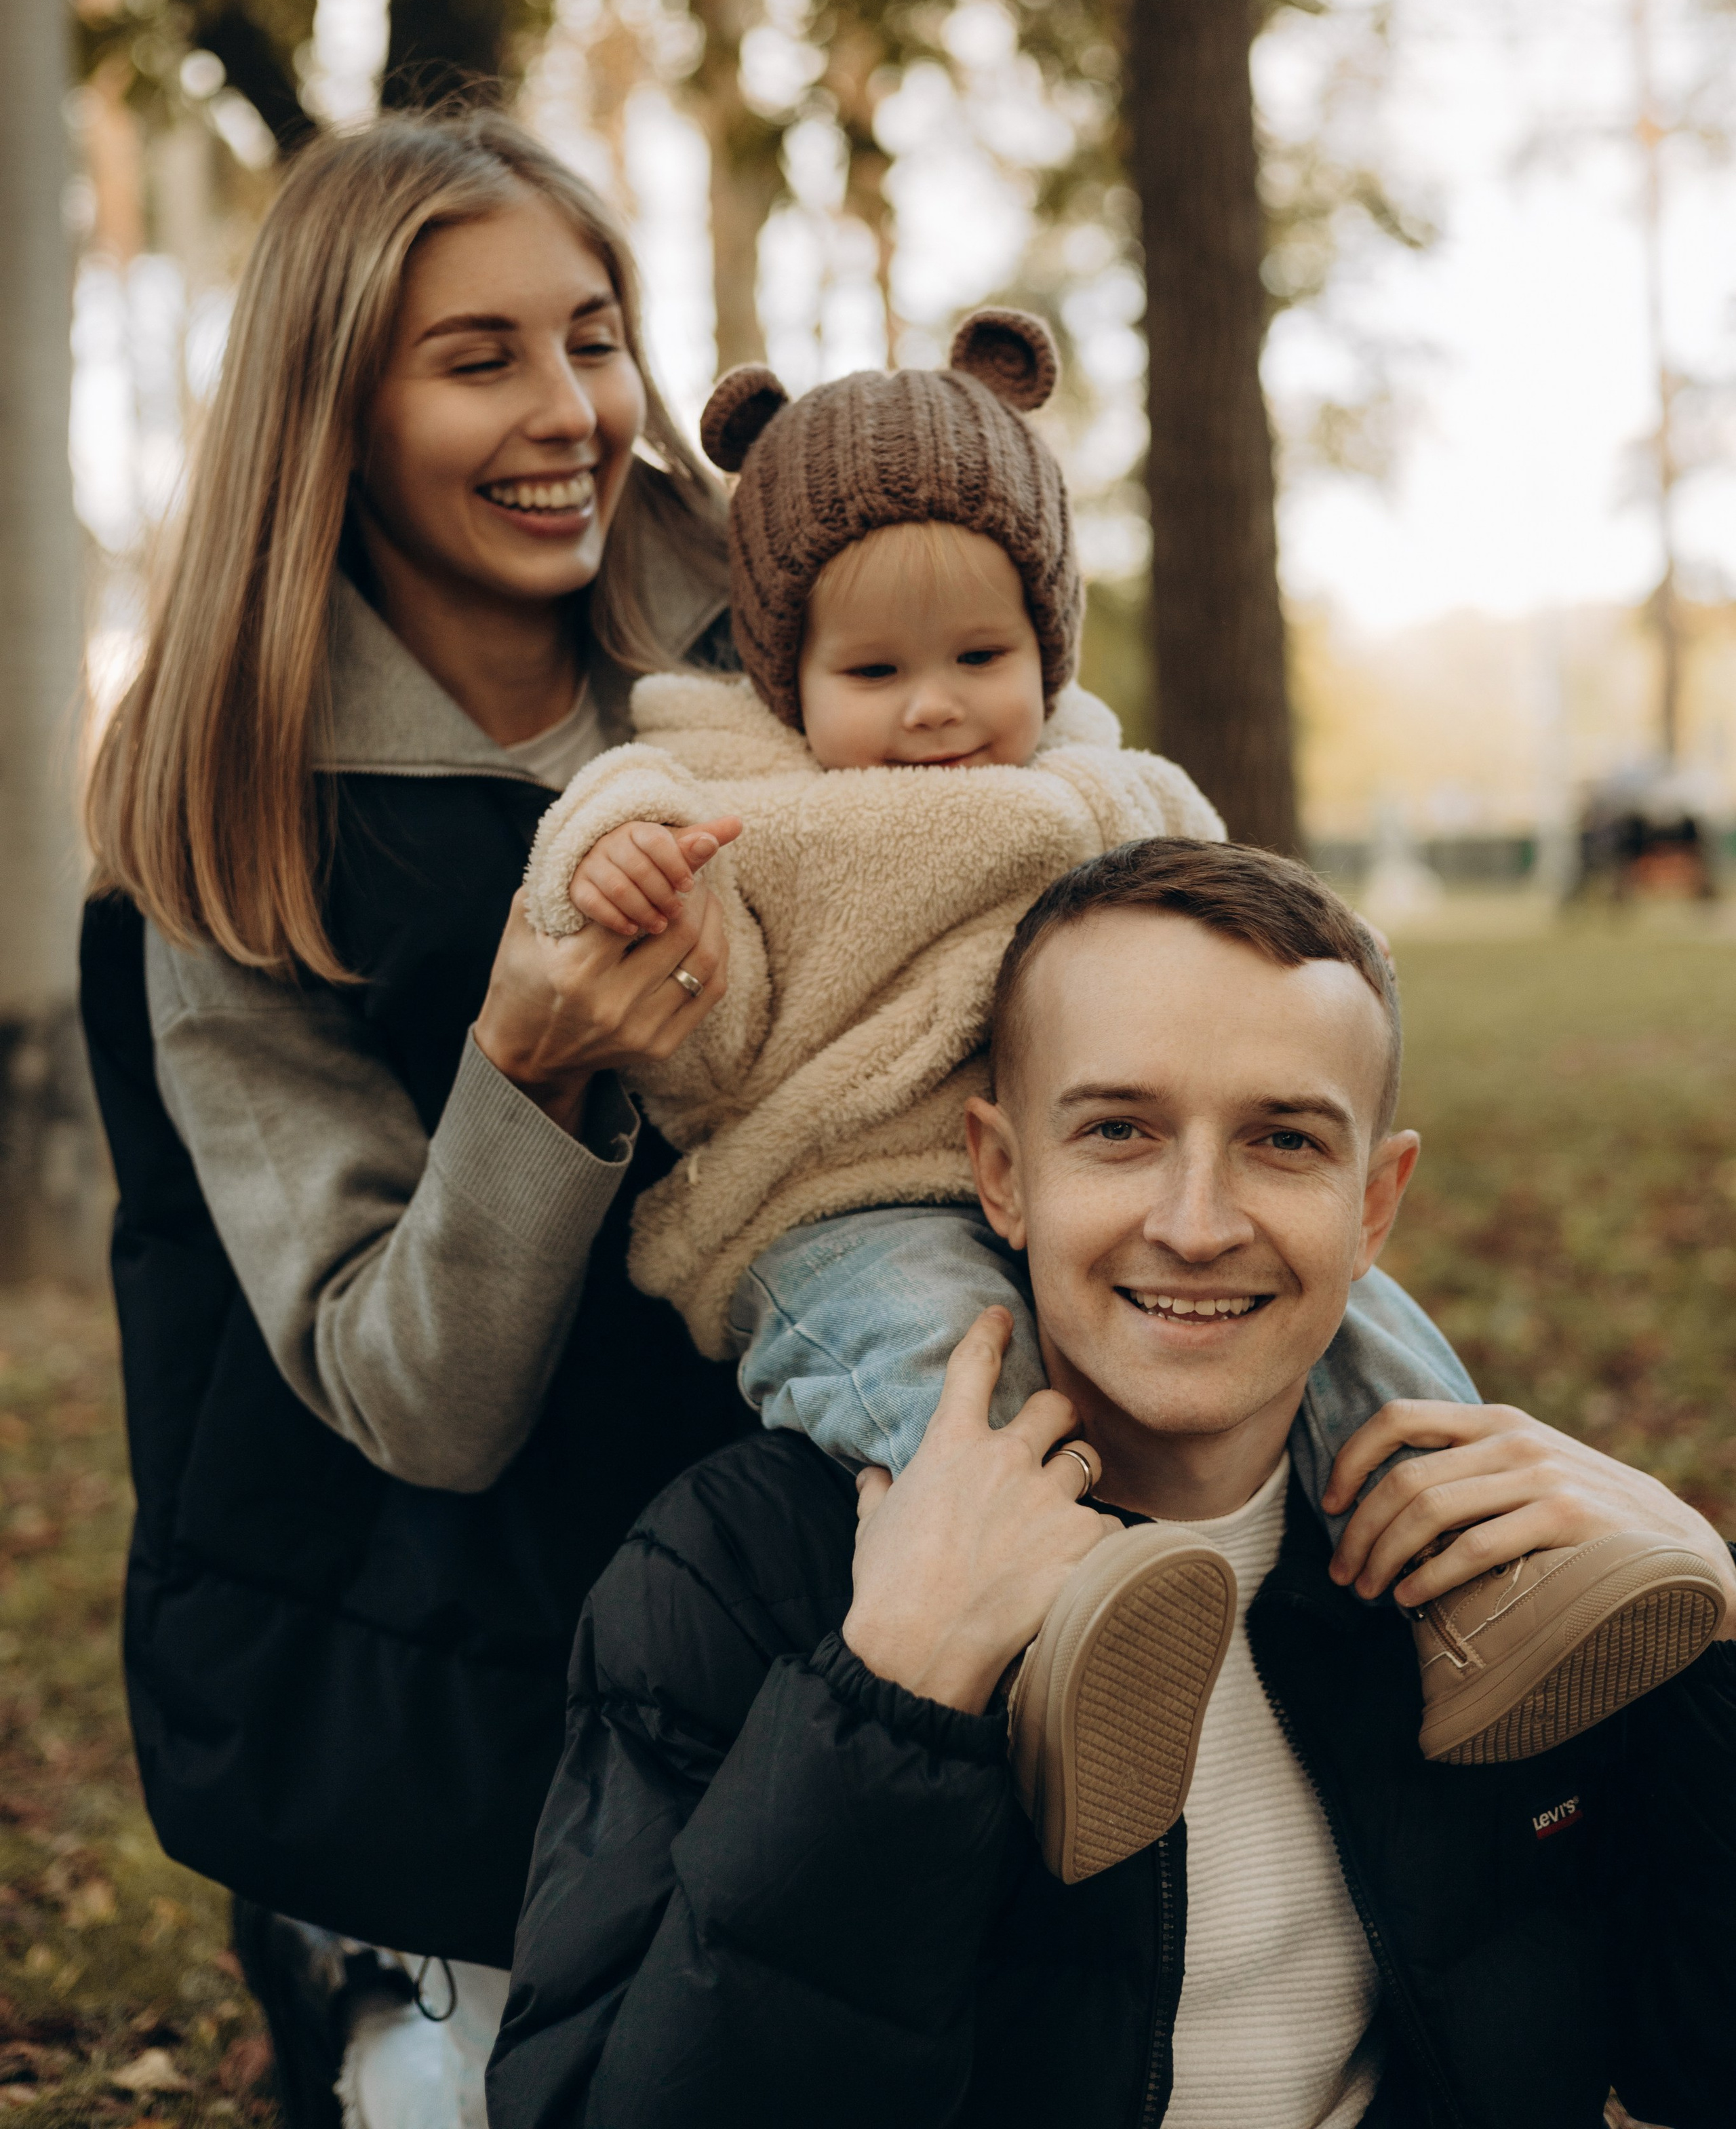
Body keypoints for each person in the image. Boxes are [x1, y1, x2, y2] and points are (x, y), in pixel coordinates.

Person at [517, 328, 1709, 1879]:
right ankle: (1060, 1636)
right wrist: (611, 872)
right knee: (950, 1378)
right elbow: (658, 944)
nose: (934, 709)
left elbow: (1222, 943)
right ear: (778, 671)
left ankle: (1478, 1570)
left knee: (1359, 1320)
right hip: (836, 1205)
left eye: (979, 660)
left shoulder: (1109, 791)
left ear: (1048, 650)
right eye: (871, 673)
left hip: (1094, 1166)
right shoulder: (732, 803)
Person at [487, 840, 1736, 2129]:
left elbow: (1697, 2062)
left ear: (1375, 1207)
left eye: (1283, 1139)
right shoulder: (743, 1570)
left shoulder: (1499, 1579)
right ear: (1003, 1174)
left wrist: (1722, 1648)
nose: (1197, 1223)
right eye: (1120, 1132)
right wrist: (888, 1704)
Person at [77, 109, 758, 2129]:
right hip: (411, 1642)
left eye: (597, 335)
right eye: (480, 359)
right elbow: (417, 1397)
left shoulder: (785, 648)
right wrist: (523, 1067)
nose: (571, 414)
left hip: (774, 1562)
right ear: (337, 407)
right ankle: (372, 1973)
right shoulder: (223, 823)